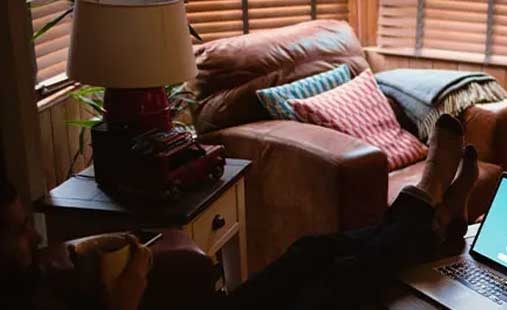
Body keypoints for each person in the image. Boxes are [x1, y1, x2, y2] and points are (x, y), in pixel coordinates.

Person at [1, 114, 478, 309]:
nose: (36, 238)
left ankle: (430, 218)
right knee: (342, 279)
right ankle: (429, 202)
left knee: (309, 250)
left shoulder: (28, 282)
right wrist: (125, 295)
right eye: (20, 231)